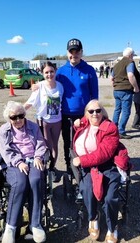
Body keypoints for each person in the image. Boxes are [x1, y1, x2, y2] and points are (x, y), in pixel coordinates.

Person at [72, 99, 129, 243]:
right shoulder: (85, 123)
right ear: (86, 113)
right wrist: (76, 123)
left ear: (103, 112)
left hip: (107, 165)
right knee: (87, 189)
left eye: (98, 110)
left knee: (110, 197)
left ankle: (112, 227)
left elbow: (104, 152)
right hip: (87, 167)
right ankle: (93, 217)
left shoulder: (110, 128)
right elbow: (81, 126)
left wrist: (82, 160)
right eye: (91, 111)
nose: (95, 114)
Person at [0, 101, 47, 243]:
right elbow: (5, 150)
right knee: (20, 183)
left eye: (21, 116)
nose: (18, 120)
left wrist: (38, 156)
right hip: (14, 163)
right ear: (9, 118)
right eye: (14, 117)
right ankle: (11, 227)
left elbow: (40, 143)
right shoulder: (4, 130)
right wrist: (18, 162)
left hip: (33, 160)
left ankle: (35, 224)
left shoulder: (32, 126)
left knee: (36, 180)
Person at [56, 38, 98, 172]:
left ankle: (82, 164)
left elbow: (94, 95)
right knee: (67, 141)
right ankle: (69, 166)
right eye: (71, 51)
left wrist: (92, 114)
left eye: (77, 51)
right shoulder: (61, 71)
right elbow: (51, 88)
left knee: (83, 141)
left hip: (84, 115)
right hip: (66, 114)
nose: (74, 54)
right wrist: (38, 86)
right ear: (67, 53)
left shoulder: (89, 70)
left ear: (81, 52)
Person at [24, 61, 64, 181]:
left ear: (55, 71)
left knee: (55, 146)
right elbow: (29, 103)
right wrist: (16, 112)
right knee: (46, 146)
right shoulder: (39, 87)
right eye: (46, 72)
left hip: (57, 121)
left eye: (51, 71)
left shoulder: (60, 86)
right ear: (42, 73)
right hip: (43, 121)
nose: (49, 74)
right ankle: (44, 169)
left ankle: (52, 168)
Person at [110, 47, 140, 139]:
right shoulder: (129, 63)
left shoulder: (116, 65)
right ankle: (121, 131)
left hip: (116, 90)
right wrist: (136, 87)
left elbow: (111, 78)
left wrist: (115, 86)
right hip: (125, 90)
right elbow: (130, 75)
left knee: (117, 110)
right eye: (133, 55)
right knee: (126, 111)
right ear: (130, 55)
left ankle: (113, 129)